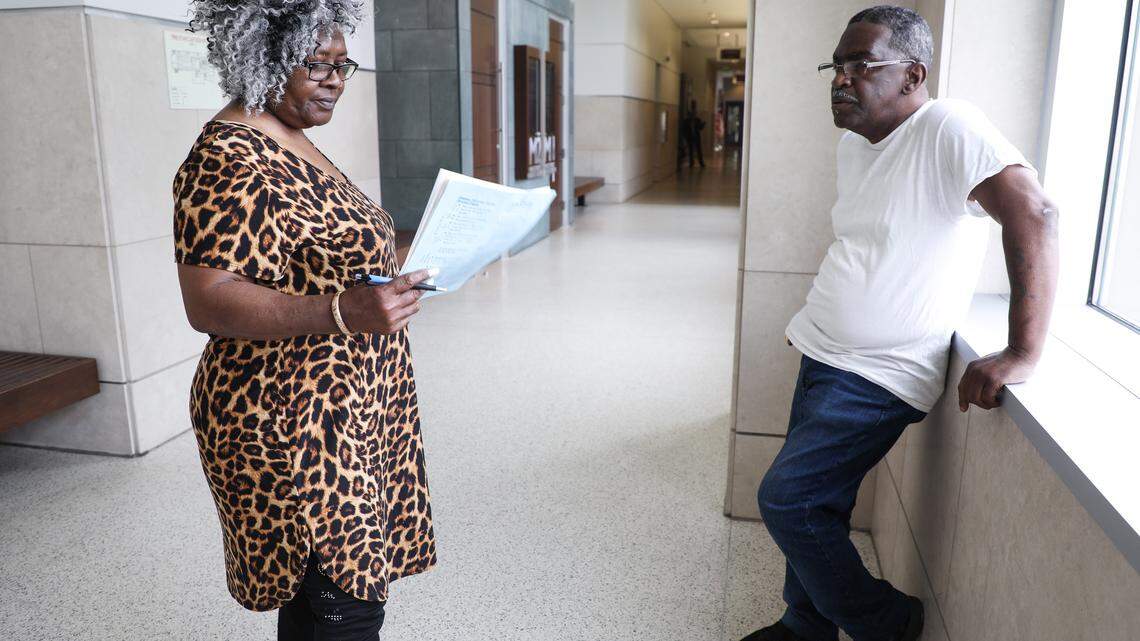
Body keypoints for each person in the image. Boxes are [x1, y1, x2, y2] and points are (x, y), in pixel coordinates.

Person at [740, 6, 1058, 641]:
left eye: (862, 65)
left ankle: (888, 623)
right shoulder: (856, 145)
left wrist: (1022, 350)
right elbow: (865, 246)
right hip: (823, 354)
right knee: (819, 504)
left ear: (913, 75)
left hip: (880, 373)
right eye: (837, 65)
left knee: (789, 501)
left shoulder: (948, 126)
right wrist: (813, 324)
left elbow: (1036, 212)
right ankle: (804, 627)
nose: (841, 79)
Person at [175, 2, 437, 639]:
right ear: (260, 61)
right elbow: (208, 298)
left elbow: (324, 252)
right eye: (314, 64)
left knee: (315, 595)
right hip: (292, 419)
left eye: (342, 65)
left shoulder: (293, 138)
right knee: (346, 602)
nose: (334, 79)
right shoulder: (231, 155)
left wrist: (405, 273)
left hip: (349, 404)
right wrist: (344, 309)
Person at [683, 99, 707, 168]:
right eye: (692, 114)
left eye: (694, 114)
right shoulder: (687, 121)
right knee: (691, 150)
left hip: (696, 136)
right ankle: (691, 162)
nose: (694, 114)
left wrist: (703, 124)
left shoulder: (697, 120)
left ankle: (701, 162)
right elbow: (684, 129)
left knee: (699, 150)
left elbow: (700, 128)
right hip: (690, 137)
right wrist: (686, 136)